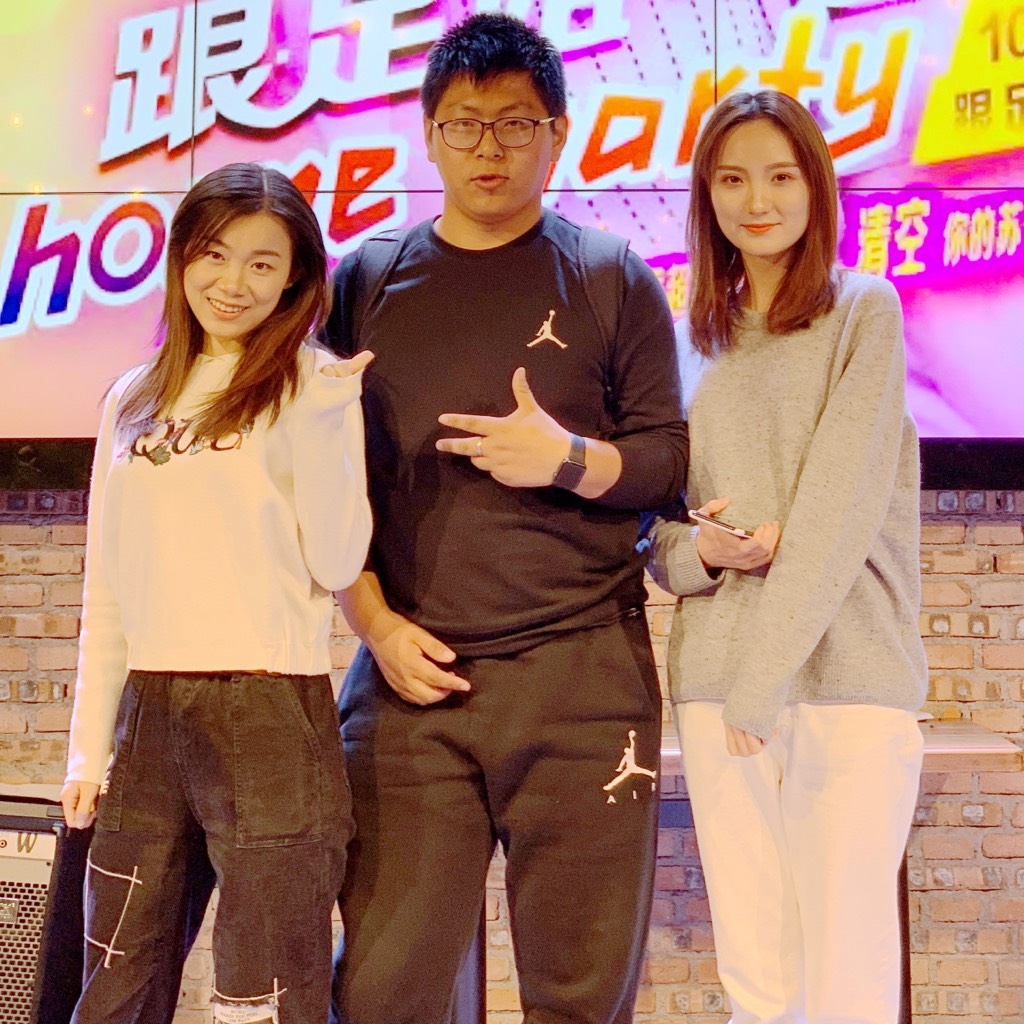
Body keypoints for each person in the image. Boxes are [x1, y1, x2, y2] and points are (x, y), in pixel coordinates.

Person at [322, 12, 687, 1024]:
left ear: (557, 134)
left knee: (579, 995)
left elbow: (667, 460)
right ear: (429, 134)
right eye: (465, 124)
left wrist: (565, 458)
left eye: (516, 124)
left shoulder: (612, 277)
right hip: (410, 681)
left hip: (583, 679)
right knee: (383, 993)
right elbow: (323, 485)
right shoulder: (365, 279)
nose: (490, 148)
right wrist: (373, 625)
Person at [61, 162, 373, 1024]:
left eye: (263, 263)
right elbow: (108, 587)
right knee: (116, 979)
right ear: (181, 258)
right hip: (148, 712)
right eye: (214, 253)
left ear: (296, 279)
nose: (233, 283)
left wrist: (326, 420)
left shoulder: (312, 385)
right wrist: (87, 750)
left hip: (270, 710)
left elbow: (339, 561)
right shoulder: (132, 397)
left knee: (262, 989)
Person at [648, 90, 927, 1024]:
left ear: (817, 186)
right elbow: (658, 533)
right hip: (718, 682)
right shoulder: (691, 341)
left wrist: (761, 685)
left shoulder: (864, 311)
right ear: (706, 196)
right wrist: (705, 552)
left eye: (779, 176)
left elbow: (841, 510)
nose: (755, 201)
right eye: (731, 180)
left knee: (847, 974)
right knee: (757, 979)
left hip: (842, 681)